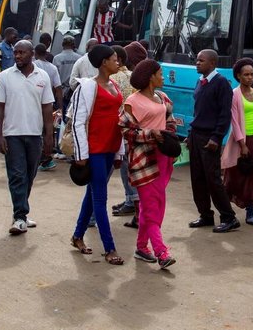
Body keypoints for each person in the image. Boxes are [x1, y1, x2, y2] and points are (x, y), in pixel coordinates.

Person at [69, 44, 125, 265]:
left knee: (92, 196)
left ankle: (77, 236)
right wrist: (81, 154)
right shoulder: (88, 87)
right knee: (100, 199)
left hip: (110, 149)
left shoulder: (113, 85)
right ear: (103, 63)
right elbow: (77, 121)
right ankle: (109, 248)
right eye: (114, 59)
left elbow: (118, 120)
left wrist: (119, 152)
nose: (118, 62)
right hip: (95, 150)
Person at [0, 40, 54, 235]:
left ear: (31, 54)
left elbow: (47, 108)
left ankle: (22, 213)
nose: (17, 56)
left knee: (29, 175)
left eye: (21, 53)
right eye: (15, 53)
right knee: (17, 176)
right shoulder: (5, 77)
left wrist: (49, 135)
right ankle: (20, 216)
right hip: (12, 135)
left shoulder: (42, 76)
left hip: (35, 135)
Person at [121, 59, 177, 268]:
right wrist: (149, 134)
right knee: (152, 207)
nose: (163, 77)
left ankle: (142, 247)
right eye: (160, 73)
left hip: (163, 158)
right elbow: (125, 130)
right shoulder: (132, 102)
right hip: (143, 161)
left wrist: (168, 134)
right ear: (150, 76)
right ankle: (161, 252)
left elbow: (170, 119)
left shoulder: (162, 97)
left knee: (154, 204)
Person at [187, 49, 239, 233]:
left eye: (201, 60)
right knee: (197, 178)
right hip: (196, 135)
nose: (197, 63)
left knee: (213, 179)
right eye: (197, 60)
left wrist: (217, 137)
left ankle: (229, 217)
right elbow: (198, 111)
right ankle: (205, 215)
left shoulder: (221, 84)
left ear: (212, 64)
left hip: (210, 138)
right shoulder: (200, 82)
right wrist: (190, 133)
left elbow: (225, 114)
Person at [221, 58, 253, 227]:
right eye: (246, 75)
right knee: (233, 176)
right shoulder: (235, 95)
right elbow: (234, 121)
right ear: (238, 76)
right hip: (241, 141)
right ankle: (226, 212)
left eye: (252, 74)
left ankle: (251, 213)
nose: (250, 77)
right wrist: (242, 144)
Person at [109, 46, 139, 224]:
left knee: (120, 166)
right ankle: (130, 199)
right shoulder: (132, 76)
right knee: (127, 165)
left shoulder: (112, 79)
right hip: (130, 127)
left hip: (116, 128)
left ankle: (131, 201)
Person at [33, 43, 62, 172]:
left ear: (35, 53)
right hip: (49, 103)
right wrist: (60, 106)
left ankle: (39, 159)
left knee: (36, 132)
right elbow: (58, 88)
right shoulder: (52, 68)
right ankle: (47, 159)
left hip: (35, 103)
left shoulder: (33, 65)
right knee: (48, 131)